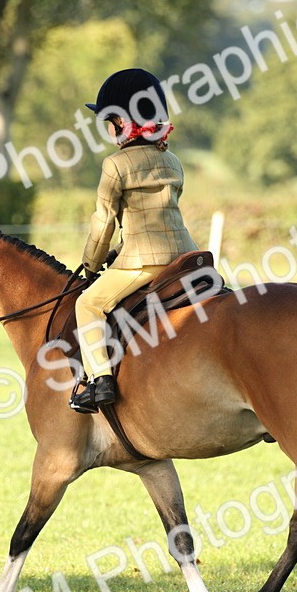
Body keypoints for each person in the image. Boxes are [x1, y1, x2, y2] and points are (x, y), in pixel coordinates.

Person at [70, 68, 199, 413]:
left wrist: (91, 264)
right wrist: (120, 250)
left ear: (119, 122)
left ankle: (100, 381)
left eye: (107, 120)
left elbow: (104, 221)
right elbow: (160, 216)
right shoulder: (171, 160)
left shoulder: (115, 165)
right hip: (185, 256)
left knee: (87, 304)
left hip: (144, 263)